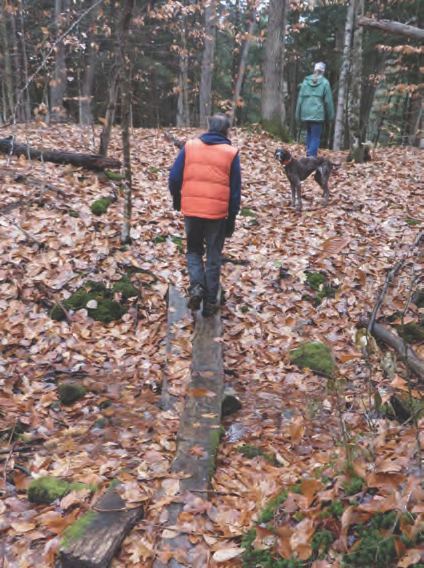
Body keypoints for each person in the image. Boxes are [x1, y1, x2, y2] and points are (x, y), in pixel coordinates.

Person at [168, 114, 242, 318]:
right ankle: (210, 302)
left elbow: (174, 177)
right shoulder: (231, 153)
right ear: (227, 131)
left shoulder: (190, 147)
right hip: (216, 215)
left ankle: (197, 287)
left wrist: (177, 197)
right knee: (213, 257)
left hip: (191, 210)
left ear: (209, 128)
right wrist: (232, 217)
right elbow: (235, 192)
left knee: (193, 250)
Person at [295, 62, 335, 158]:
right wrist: (331, 115)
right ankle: (312, 158)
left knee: (309, 134)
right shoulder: (325, 83)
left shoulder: (305, 82)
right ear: (323, 71)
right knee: (315, 136)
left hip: (305, 113)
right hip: (317, 115)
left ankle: (309, 153)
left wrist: (297, 115)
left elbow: (300, 100)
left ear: (314, 70)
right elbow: (328, 102)